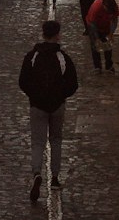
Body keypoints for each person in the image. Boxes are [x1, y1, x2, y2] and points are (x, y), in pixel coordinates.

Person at [19, 19, 78, 202]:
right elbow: (73, 83)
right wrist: (60, 96)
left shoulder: (32, 56)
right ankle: (54, 178)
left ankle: (37, 172)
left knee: (37, 142)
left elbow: (23, 81)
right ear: (58, 35)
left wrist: (34, 96)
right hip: (57, 106)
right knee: (56, 140)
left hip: (37, 106)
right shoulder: (63, 58)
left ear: (43, 34)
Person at [85, 0, 119, 72]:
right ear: (104, 6)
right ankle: (97, 66)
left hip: (106, 26)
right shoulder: (96, 7)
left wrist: (111, 33)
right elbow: (92, 24)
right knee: (95, 46)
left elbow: (114, 21)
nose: (108, 12)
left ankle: (109, 65)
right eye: (107, 10)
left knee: (108, 45)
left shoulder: (114, 8)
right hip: (93, 25)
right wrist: (97, 38)